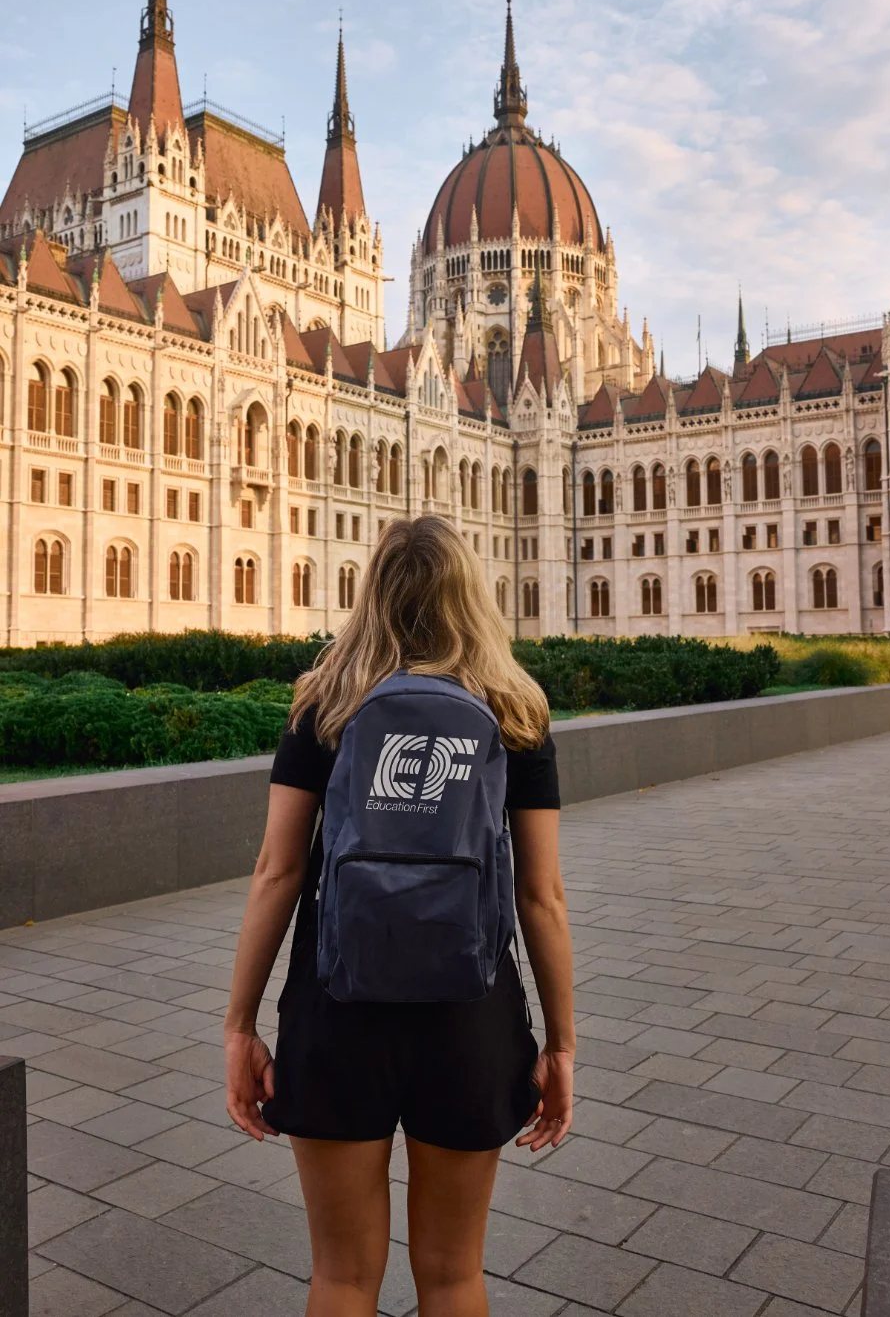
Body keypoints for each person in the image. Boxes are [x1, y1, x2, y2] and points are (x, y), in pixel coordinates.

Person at [224, 515, 575, 1317]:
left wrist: (239, 1025)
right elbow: (540, 897)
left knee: (341, 1277)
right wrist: (559, 1043)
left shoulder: (324, 703)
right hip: (469, 1011)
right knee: (453, 1276)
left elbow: (276, 871)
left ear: (371, 595)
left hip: (337, 1006)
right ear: (472, 598)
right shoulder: (515, 710)